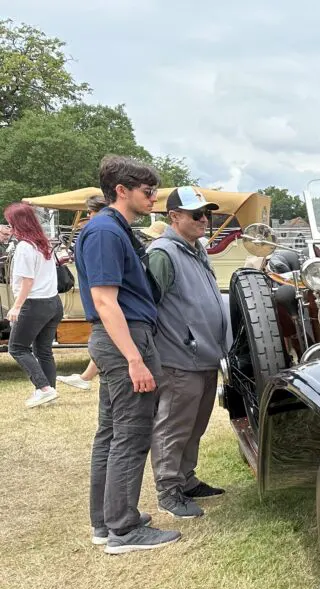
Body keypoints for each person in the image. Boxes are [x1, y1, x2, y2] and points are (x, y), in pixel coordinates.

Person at [74, 155, 180, 554]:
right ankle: (123, 528)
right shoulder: (105, 231)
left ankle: (106, 521)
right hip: (124, 339)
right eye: (147, 191)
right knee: (131, 435)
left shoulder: (112, 228)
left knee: (111, 432)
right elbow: (105, 301)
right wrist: (135, 359)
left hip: (120, 339)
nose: (153, 197)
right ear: (121, 190)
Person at [146, 187, 229, 519]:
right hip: (180, 359)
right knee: (173, 425)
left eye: (206, 214)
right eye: (196, 214)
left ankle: (186, 479)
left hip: (204, 357)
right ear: (174, 217)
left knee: (195, 425)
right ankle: (168, 489)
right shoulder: (163, 254)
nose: (204, 220)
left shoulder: (195, 250)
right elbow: (147, 307)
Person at [4, 202, 64, 408]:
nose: (8, 226)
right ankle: (49, 390)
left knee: (17, 348)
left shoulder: (24, 247)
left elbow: (27, 280)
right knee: (44, 350)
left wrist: (16, 306)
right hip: (53, 302)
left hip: (35, 303)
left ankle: (43, 388)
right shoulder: (43, 243)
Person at [58, 195, 109, 391]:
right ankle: (86, 376)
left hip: (102, 305)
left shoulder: (98, 234)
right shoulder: (100, 233)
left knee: (105, 340)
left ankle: (86, 377)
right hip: (101, 304)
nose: (89, 216)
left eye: (91, 212)